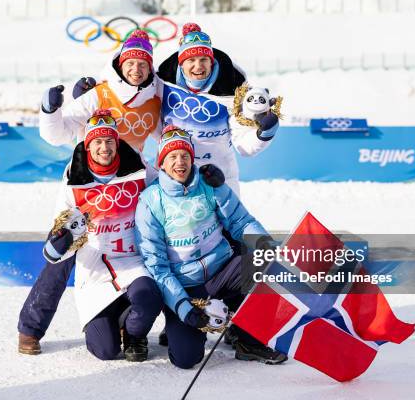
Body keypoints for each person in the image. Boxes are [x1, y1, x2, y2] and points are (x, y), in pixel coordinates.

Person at [134, 126, 287, 369]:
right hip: (186, 284)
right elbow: (157, 268)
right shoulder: (151, 201)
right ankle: (177, 321)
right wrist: (184, 307)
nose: (180, 162)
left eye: (185, 156)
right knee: (186, 358)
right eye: (172, 157)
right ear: (161, 163)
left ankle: (247, 339)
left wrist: (266, 247)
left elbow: (241, 222)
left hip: (222, 270)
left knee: (268, 267)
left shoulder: (209, 184)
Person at [19, 109, 163, 361]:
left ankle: (140, 330)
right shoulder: (74, 175)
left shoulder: (137, 166)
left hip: (129, 255)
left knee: (154, 288)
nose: (104, 147)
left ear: (117, 143)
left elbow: (167, 191)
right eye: (97, 141)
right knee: (104, 350)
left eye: (109, 141)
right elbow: (60, 227)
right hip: (93, 257)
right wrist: (60, 242)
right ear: (87, 145)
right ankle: (30, 328)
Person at [155, 23, 280, 195]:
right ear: (181, 64)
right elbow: (138, 106)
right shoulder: (163, 82)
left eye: (204, 60)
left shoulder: (232, 89)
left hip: (219, 174)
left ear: (212, 62)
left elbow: (244, 145)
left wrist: (265, 133)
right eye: (191, 60)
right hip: (174, 173)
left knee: (231, 221)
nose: (198, 66)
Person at [39, 29, 163, 152]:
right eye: (130, 63)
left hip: (133, 170)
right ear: (121, 65)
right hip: (90, 169)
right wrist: (49, 111)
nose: (136, 69)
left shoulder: (154, 98)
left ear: (149, 68)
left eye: (142, 64)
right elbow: (58, 136)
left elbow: (169, 138)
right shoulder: (97, 96)